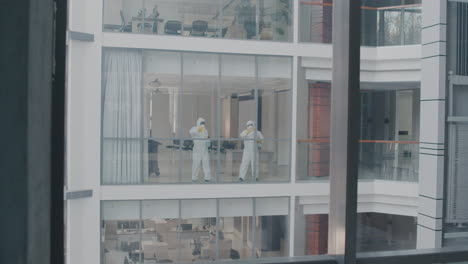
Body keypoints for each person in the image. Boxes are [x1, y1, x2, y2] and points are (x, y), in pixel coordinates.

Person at [189, 117, 211, 182]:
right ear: (198, 123)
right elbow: (191, 132)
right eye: (201, 123)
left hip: (204, 150)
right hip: (197, 150)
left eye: (204, 123)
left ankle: (207, 177)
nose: (203, 124)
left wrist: (208, 144)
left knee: (206, 164)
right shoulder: (194, 128)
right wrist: (199, 129)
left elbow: (206, 138)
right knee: (196, 164)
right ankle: (194, 178)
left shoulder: (205, 130)